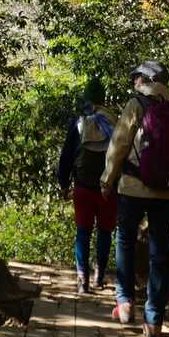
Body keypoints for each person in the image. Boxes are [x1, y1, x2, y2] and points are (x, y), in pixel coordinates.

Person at [100, 59, 169, 337]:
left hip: (133, 188)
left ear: (146, 80)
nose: (134, 81)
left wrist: (107, 180)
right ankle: (154, 321)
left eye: (137, 77)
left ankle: (125, 303)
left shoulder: (136, 105)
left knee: (125, 240)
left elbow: (119, 144)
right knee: (159, 252)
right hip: (167, 192)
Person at [57, 75, 117, 294]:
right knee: (104, 232)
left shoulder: (79, 122)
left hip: (82, 186)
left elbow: (66, 155)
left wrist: (63, 182)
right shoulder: (114, 121)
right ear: (103, 98)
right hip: (107, 188)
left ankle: (82, 279)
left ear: (86, 98)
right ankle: (98, 276)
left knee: (83, 231)